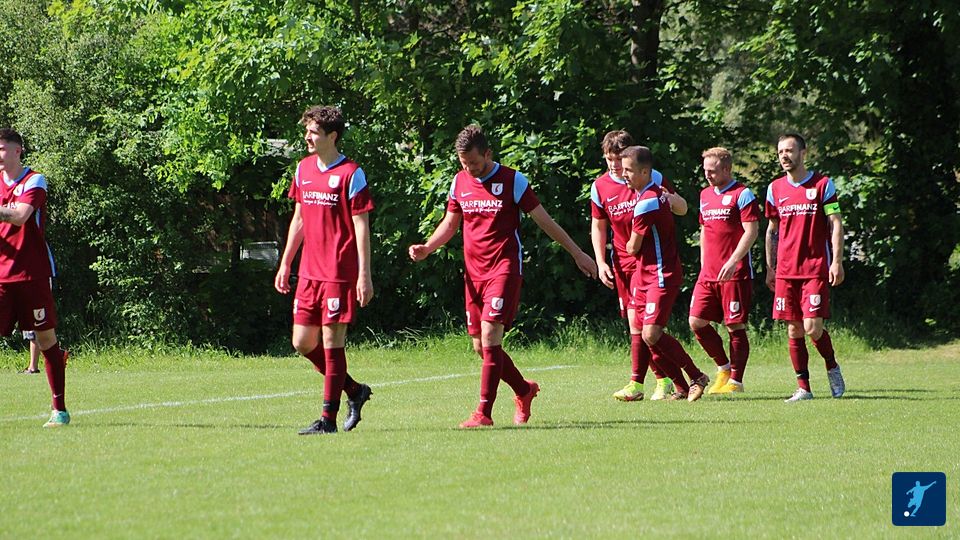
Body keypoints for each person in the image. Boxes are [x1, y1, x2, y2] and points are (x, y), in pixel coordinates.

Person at [409, 125, 598, 428]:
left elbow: (545, 221)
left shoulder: (512, 180)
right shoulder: (459, 182)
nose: (469, 168)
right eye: (463, 163)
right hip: (474, 273)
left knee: (490, 336)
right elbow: (450, 223)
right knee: (481, 347)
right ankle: (523, 390)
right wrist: (428, 247)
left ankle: (483, 413)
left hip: (504, 268)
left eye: (474, 162)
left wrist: (577, 253)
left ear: (488, 153)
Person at [274, 106, 375, 435]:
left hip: (338, 273)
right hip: (309, 272)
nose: (307, 137)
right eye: (307, 131)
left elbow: (362, 227)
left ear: (332, 136)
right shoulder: (303, 169)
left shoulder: (351, 174)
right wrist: (286, 262)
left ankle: (327, 420)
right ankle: (355, 391)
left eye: (314, 132)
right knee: (302, 342)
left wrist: (364, 275)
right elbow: (299, 219)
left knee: (332, 343)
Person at [589, 130, 675, 401]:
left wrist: (671, 201)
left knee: (646, 326)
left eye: (618, 159)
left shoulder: (650, 178)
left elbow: (675, 206)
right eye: (609, 159)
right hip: (623, 264)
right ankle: (659, 380)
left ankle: (654, 381)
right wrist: (600, 261)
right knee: (634, 325)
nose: (614, 165)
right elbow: (598, 225)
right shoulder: (600, 186)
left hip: (648, 262)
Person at [621, 145, 710, 401]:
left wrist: (625, 244)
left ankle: (697, 376)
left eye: (628, 170)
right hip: (645, 274)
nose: (624, 175)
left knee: (651, 333)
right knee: (647, 336)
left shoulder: (647, 202)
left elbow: (633, 247)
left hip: (661, 274)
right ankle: (681, 387)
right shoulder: (655, 192)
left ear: (645, 172)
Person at [764, 133, 846, 402]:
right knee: (794, 329)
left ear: (803, 153)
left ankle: (832, 366)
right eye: (780, 152)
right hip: (786, 271)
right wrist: (770, 267)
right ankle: (804, 388)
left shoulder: (822, 185)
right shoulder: (775, 189)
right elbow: (772, 230)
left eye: (789, 150)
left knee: (812, 327)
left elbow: (835, 223)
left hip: (814, 267)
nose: (784, 156)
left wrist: (836, 261)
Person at [0, 128, 70, 427]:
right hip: (2, 275)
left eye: (1, 148)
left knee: (45, 339)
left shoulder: (34, 180)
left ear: (18, 150)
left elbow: (20, 216)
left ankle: (59, 410)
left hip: (32, 274)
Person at [688, 147, 760, 394]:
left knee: (734, 325)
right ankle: (724, 368)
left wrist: (733, 261)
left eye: (713, 170)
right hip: (708, 273)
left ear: (727, 169)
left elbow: (751, 231)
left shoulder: (742, 194)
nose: (707, 175)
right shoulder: (705, 195)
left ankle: (736, 382)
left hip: (735, 273)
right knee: (696, 321)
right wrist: (703, 264)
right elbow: (705, 230)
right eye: (705, 170)